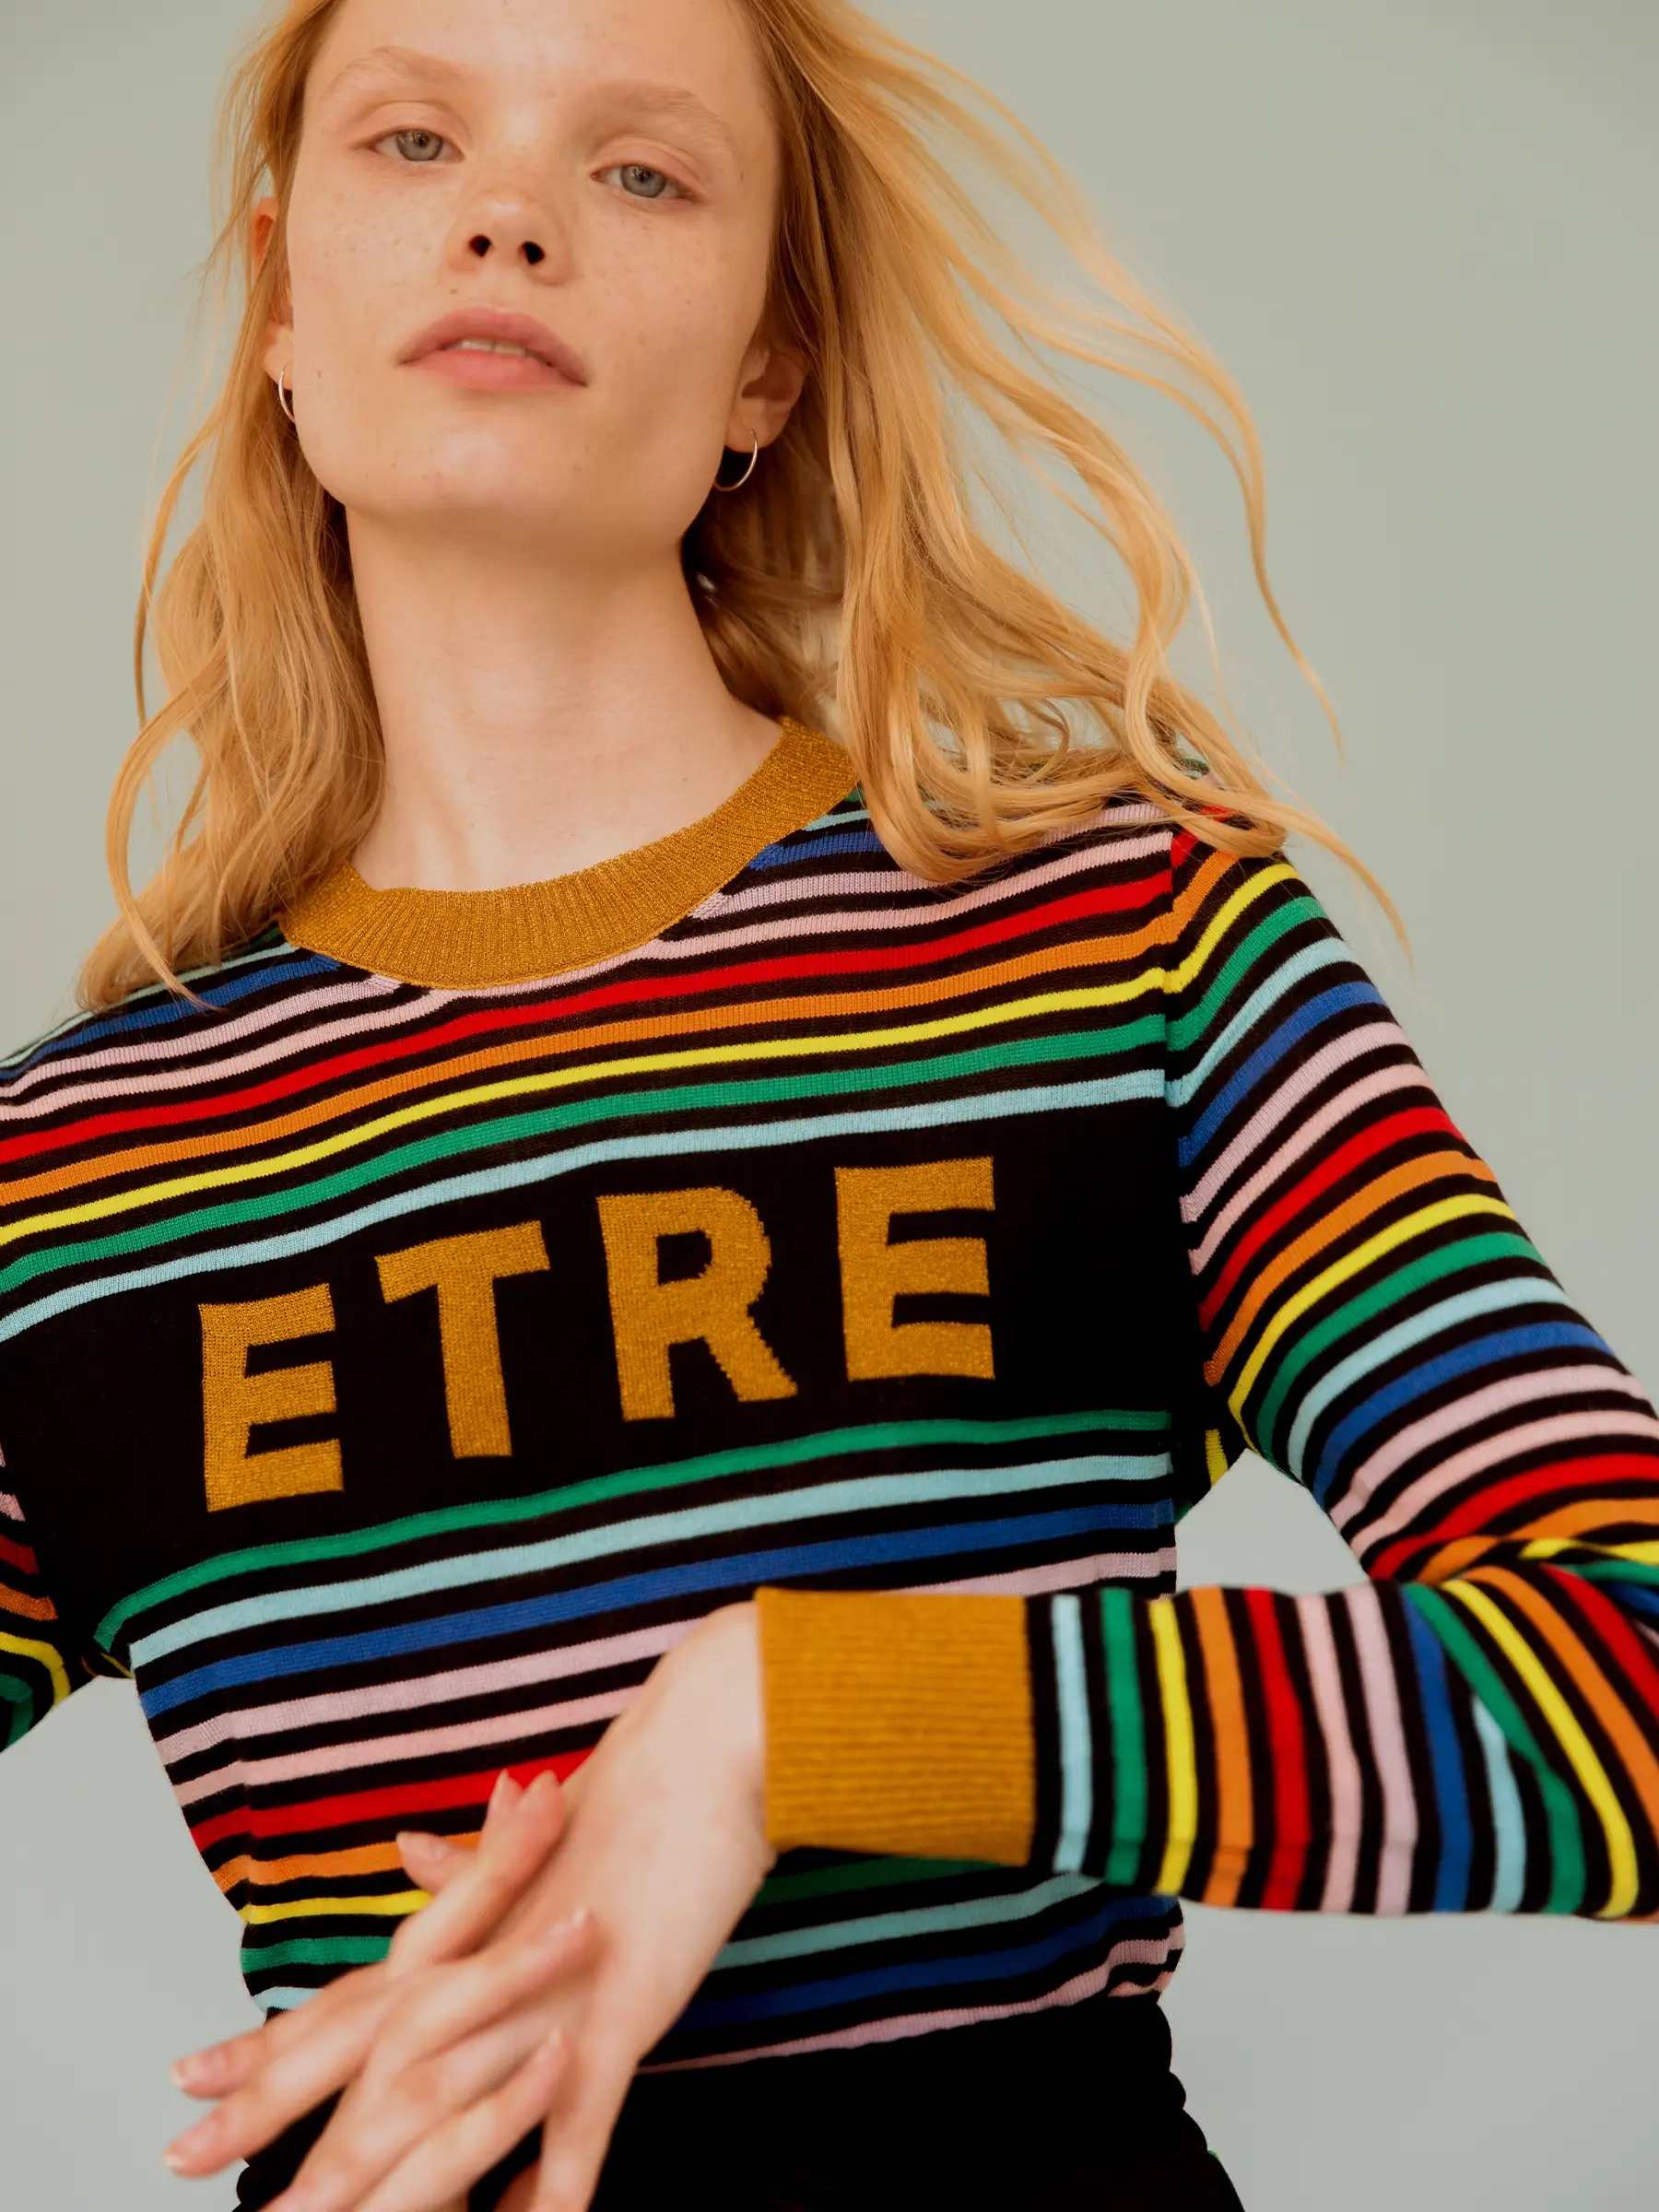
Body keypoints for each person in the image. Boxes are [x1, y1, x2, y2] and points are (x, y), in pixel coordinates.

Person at [3, 0, 1655, 2206]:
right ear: (283, 303)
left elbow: (1628, 1677)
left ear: (767, 368)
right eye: (414, 141)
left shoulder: (1124, 949)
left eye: (640, 170)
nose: (509, 216)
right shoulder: (73, 1173)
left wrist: (798, 1719)